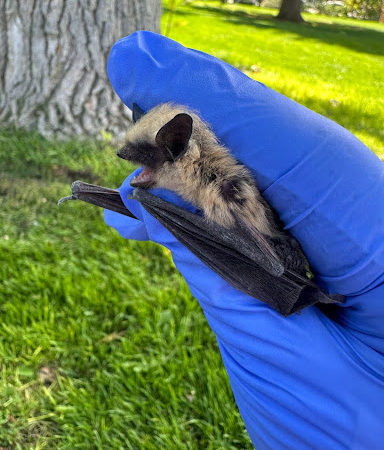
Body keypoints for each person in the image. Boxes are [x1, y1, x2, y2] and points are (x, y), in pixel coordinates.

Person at [104, 31, 384, 449]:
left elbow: (251, 234)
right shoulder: (183, 172)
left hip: (270, 258)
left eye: (147, 159)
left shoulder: (226, 197)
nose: (136, 167)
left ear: (176, 149)